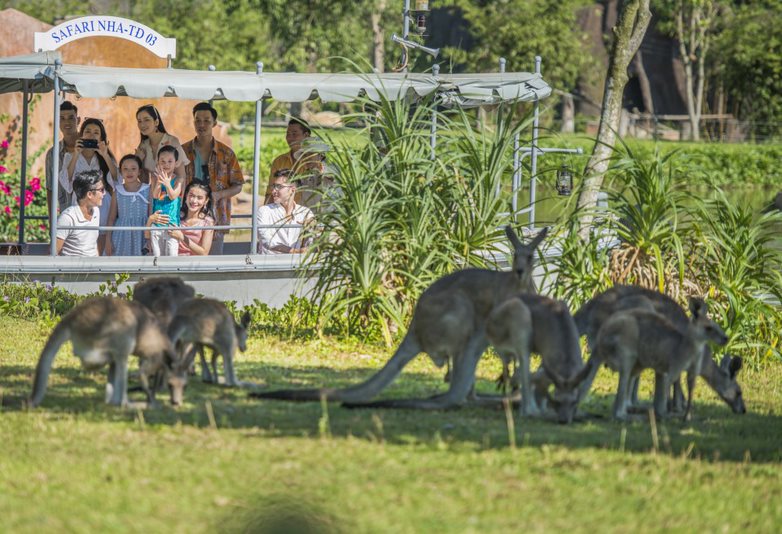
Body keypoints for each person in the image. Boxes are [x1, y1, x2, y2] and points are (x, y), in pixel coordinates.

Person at [182, 102, 244, 254]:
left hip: (216, 214)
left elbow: (238, 185)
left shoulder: (226, 153)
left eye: (206, 120)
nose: (201, 124)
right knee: (183, 258)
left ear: (214, 123)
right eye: (198, 120)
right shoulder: (182, 151)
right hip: (186, 216)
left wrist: (218, 195)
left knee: (213, 261)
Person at [59, 117, 118, 255]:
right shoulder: (70, 156)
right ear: (81, 135)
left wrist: (105, 155)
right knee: (81, 239)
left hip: (102, 203)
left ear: (101, 137)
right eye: (88, 131)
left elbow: (117, 181)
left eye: (96, 132)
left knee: (101, 240)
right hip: (81, 204)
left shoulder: (104, 157)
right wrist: (76, 153)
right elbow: (66, 183)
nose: (91, 135)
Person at [256, 169, 314, 254]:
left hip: (295, 264)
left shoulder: (306, 212)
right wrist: (294, 251)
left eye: (279, 187)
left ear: (293, 189)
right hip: (268, 264)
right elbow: (266, 240)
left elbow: (310, 242)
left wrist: (312, 227)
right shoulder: (264, 211)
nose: (273, 191)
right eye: (273, 186)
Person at [264, 118, 319, 204]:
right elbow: (270, 192)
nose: (290, 138)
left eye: (294, 134)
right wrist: (267, 213)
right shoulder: (279, 161)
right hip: (282, 213)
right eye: (288, 134)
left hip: (308, 213)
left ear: (306, 135)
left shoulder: (316, 162)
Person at [105, 154, 149, 256]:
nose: (129, 172)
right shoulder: (118, 191)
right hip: (121, 234)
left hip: (142, 234)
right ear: (120, 172)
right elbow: (111, 218)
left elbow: (150, 215)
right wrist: (108, 240)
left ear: (139, 171)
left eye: (133, 169)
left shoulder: (147, 189)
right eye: (125, 169)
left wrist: (149, 239)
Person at [135, 104, 189, 184]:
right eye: (139, 121)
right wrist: (138, 161)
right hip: (151, 194)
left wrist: (177, 195)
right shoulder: (143, 146)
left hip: (171, 193)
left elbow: (181, 176)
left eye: (146, 120)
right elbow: (142, 180)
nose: (142, 124)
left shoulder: (172, 141)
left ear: (156, 122)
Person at [56, 169, 104, 256]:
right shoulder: (67, 218)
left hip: (93, 267)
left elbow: (92, 246)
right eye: (101, 190)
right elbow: (54, 252)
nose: (103, 194)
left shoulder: (96, 211)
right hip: (73, 268)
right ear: (89, 194)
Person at [146, 145, 183, 256]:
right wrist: (159, 181)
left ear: (176, 163)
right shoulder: (154, 177)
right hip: (157, 224)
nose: (166, 164)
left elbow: (173, 196)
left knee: (172, 257)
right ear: (158, 162)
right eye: (162, 161)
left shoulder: (179, 179)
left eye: (169, 161)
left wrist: (167, 183)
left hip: (172, 225)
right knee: (157, 257)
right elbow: (155, 195)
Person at [45, 101, 80, 217]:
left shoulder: (91, 148)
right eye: (62, 118)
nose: (67, 122)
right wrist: (51, 220)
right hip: (67, 214)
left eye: (71, 118)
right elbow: (50, 189)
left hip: (92, 215)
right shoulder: (52, 154)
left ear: (78, 120)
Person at [168, 182, 214, 256]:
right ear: (186, 196)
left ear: (206, 201)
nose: (194, 201)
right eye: (191, 196)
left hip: (194, 264)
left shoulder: (207, 222)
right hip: (173, 262)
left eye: (199, 198)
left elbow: (204, 253)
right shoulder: (175, 215)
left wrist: (182, 237)